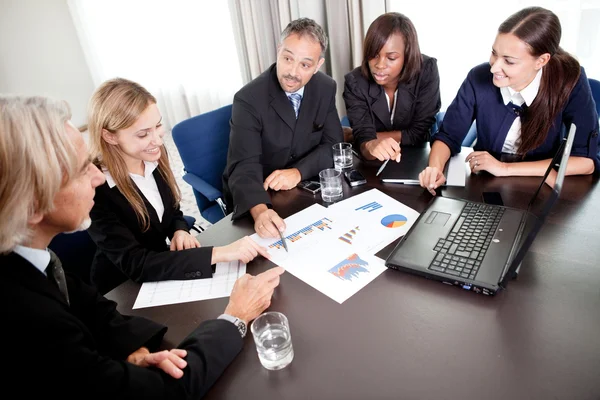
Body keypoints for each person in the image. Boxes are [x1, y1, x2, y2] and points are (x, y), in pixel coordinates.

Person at [0, 95, 285, 398]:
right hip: (127, 281)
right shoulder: (30, 320)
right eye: (83, 169)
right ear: (31, 206)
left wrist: (130, 348)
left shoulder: (35, 260)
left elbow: (90, 306)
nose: (97, 177)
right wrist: (236, 317)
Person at [87, 78, 270, 294]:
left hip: (161, 267)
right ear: (110, 136)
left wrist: (179, 230)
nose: (157, 139)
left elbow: (172, 210)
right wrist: (220, 253)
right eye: (143, 134)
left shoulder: (152, 155)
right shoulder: (96, 189)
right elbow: (136, 264)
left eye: (158, 126)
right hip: (121, 287)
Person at [419, 6, 600, 195]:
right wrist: (435, 168)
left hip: (539, 191)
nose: (494, 67)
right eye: (494, 53)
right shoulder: (478, 77)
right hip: (485, 187)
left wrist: (504, 169)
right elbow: (448, 136)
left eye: (509, 61)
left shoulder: (570, 81)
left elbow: (586, 162)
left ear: (541, 61)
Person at [223, 18, 343, 238]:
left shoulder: (326, 87)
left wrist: (298, 172)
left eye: (305, 65)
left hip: (303, 185)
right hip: (261, 193)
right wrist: (260, 211)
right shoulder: (248, 99)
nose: (292, 72)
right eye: (287, 58)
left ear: (318, 65)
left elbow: (333, 144)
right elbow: (244, 166)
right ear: (278, 50)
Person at [343, 12, 441, 161]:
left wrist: (357, 137)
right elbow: (364, 141)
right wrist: (368, 143)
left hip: (415, 157)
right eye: (374, 55)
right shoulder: (355, 81)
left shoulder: (426, 70)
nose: (379, 65)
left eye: (391, 58)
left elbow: (419, 134)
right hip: (373, 163)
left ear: (407, 55)